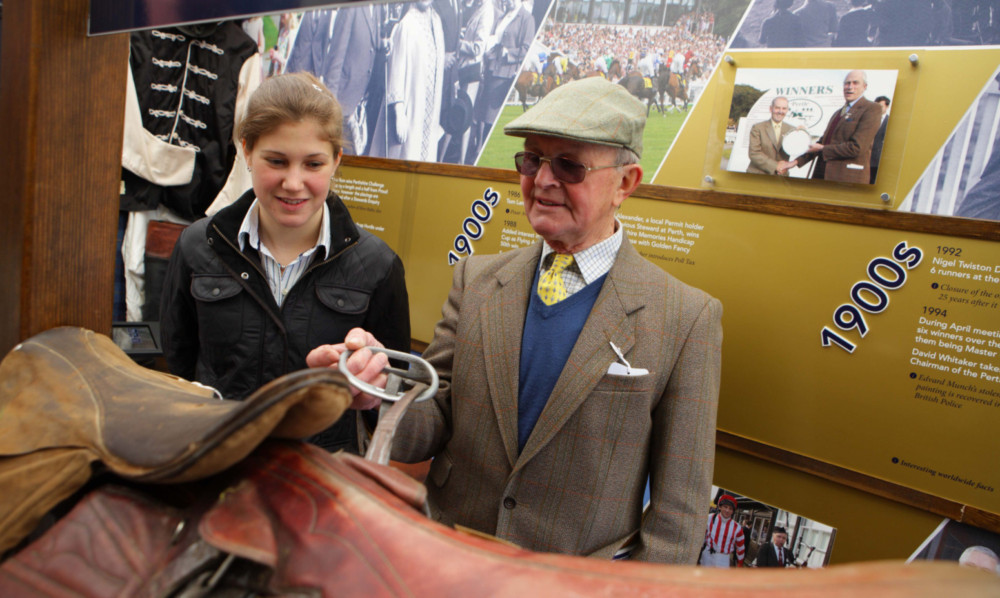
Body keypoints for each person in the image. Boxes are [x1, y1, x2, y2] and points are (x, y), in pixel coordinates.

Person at [308, 77, 723, 563]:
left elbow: (679, 513)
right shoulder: (477, 279)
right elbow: (435, 418)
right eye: (532, 159)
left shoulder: (686, 317)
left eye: (569, 165)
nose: (543, 180)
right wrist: (374, 391)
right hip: (448, 559)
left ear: (625, 183)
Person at [160, 72, 411, 454]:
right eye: (276, 161)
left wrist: (372, 387)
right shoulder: (198, 246)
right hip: (216, 463)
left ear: (336, 161)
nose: (293, 183)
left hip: (321, 481)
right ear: (246, 150)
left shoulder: (377, 265)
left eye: (313, 164)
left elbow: (395, 398)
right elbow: (176, 368)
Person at [783, 70, 881, 184]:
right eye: (847, 83)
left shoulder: (872, 108)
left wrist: (823, 149)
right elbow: (823, 142)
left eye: (855, 83)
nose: (850, 87)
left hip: (846, 180)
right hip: (821, 175)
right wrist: (795, 162)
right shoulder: (838, 112)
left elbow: (857, 147)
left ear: (864, 86)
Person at [747, 96, 796, 176]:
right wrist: (776, 166)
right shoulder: (757, 127)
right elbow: (754, 153)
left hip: (781, 176)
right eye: (777, 108)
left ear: (787, 110)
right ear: (771, 109)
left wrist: (801, 134)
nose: (780, 111)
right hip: (758, 174)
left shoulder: (792, 130)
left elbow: (800, 149)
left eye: (784, 108)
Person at [700, 495, 745, 568]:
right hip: (707, 555)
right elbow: (701, 538)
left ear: (733, 511)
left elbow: (741, 547)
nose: (727, 510)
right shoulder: (709, 518)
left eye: (730, 508)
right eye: (725, 507)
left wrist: (740, 563)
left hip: (723, 559)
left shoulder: (737, 528)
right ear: (720, 507)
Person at [870, 95, 890, 183]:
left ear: (887, 106)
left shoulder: (891, 121)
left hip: (879, 160)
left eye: (880, 106)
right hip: (866, 158)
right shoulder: (869, 120)